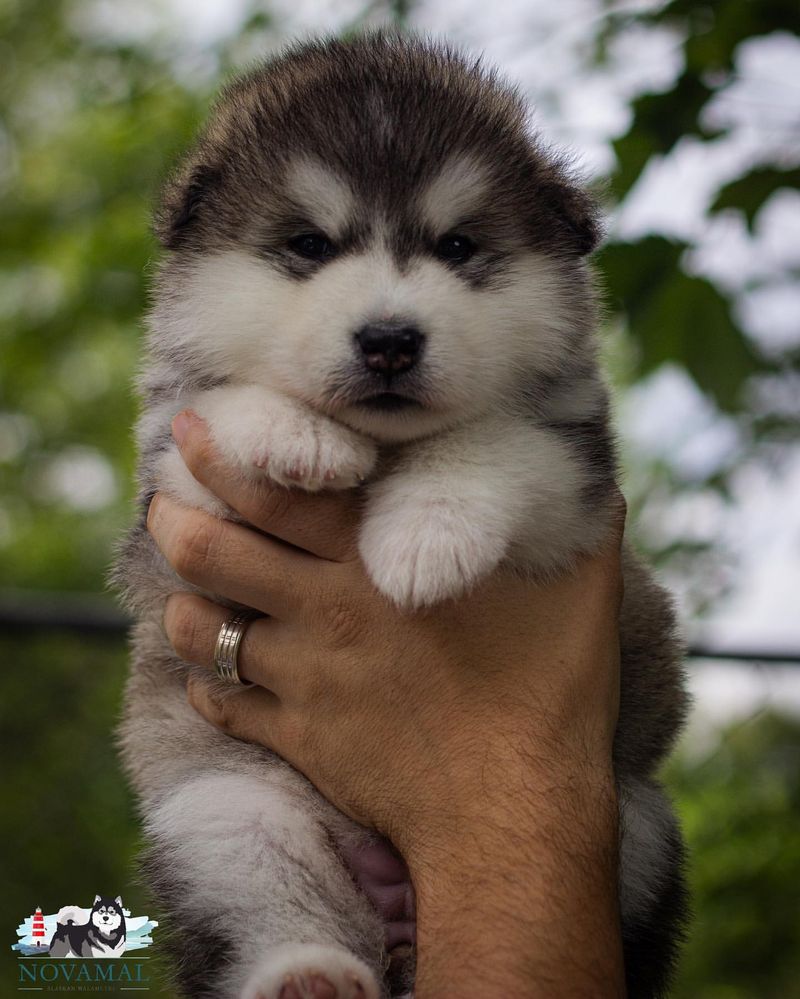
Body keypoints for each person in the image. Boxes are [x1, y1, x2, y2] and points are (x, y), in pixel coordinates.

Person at [146, 410, 627, 998]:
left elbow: (569, 478)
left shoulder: (538, 412)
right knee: (225, 820)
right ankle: (292, 955)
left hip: (571, 838)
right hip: (279, 807)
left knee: (640, 826)